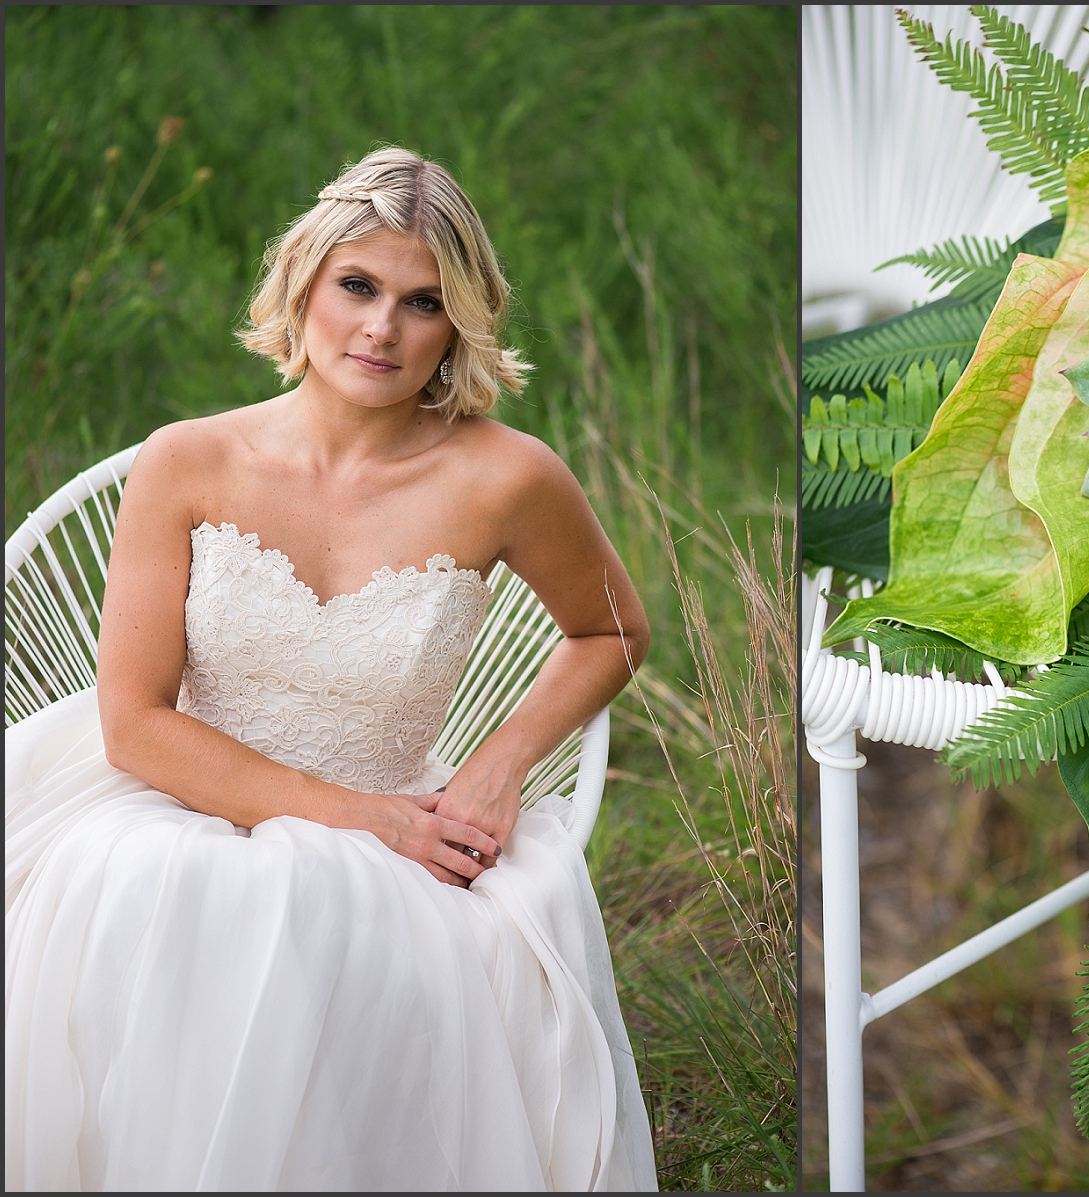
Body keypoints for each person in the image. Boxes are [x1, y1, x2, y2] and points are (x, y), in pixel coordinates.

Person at [4, 147, 658, 1191]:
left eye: (424, 302)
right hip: (176, 791)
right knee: (158, 887)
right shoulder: (187, 460)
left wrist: (496, 763)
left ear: (459, 325)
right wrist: (362, 821)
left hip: (399, 806)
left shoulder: (508, 477)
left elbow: (614, 631)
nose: (381, 329)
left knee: (332, 922)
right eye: (358, 286)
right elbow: (133, 724)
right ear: (304, 282)